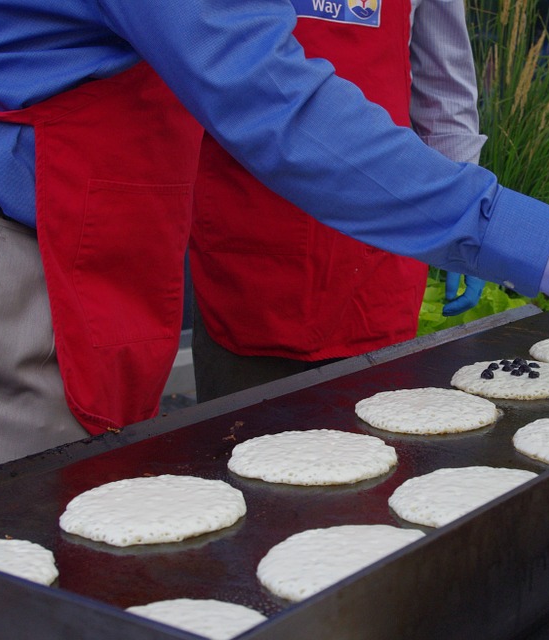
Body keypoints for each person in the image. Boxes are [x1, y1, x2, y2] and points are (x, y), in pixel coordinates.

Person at [0, 0, 549, 476]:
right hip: (16, 263)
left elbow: (439, 85)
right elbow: (266, 92)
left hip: (367, 259)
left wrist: (471, 193)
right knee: (21, 564)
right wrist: (510, 227)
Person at [190, 0, 487, 401]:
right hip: (247, 243)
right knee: (237, 444)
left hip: (378, 253)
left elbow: (443, 92)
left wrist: (467, 211)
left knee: (381, 440)